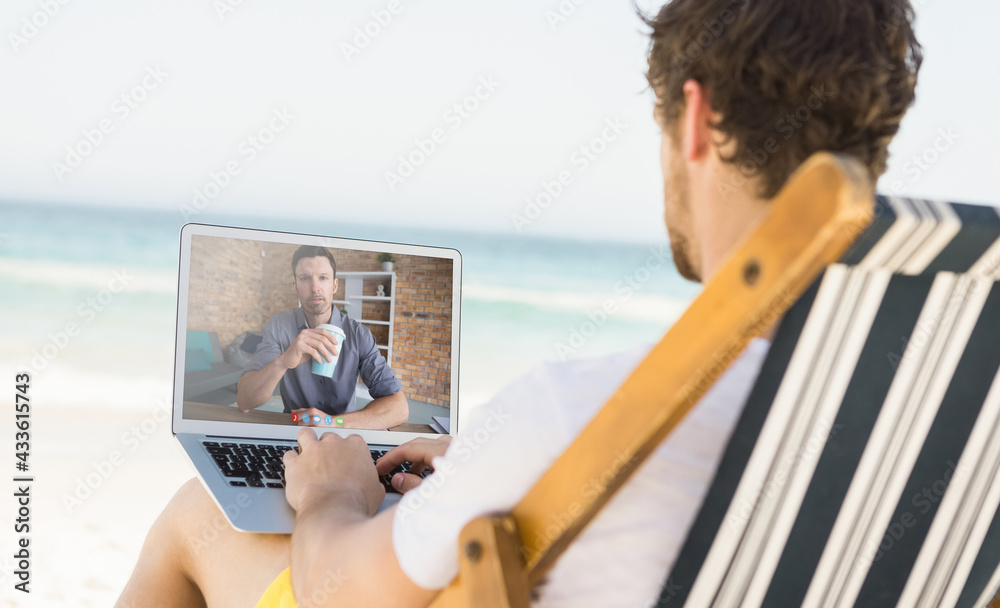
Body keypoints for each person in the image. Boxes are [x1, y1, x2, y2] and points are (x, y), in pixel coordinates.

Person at [115, 0, 921, 606]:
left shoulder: (567, 412)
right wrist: (483, 463)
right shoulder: (948, 407)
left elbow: (336, 592)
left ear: (697, 120)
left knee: (197, 518)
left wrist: (329, 493)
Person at [235, 245, 409, 430]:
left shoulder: (359, 334)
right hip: (293, 431)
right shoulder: (279, 327)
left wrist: (332, 423)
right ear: (295, 286)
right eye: (305, 278)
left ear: (334, 285)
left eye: (323, 278)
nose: (315, 288)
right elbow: (244, 401)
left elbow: (399, 408)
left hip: (344, 431)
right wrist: (283, 362)